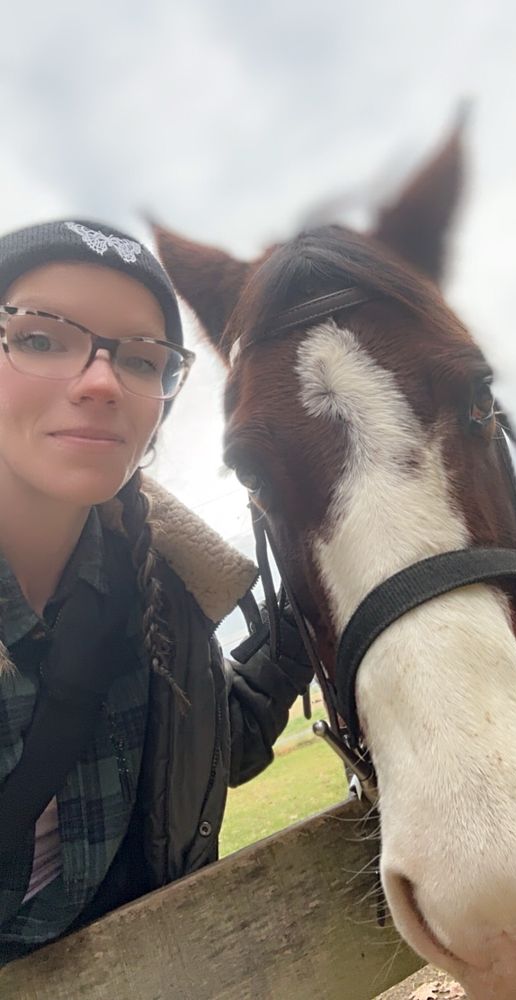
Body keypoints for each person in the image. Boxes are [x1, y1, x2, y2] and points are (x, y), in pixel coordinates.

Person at [0, 219, 313, 964]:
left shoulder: (163, 588)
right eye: (40, 339)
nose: (104, 382)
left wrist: (310, 592)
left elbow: (212, 747)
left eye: (142, 360)